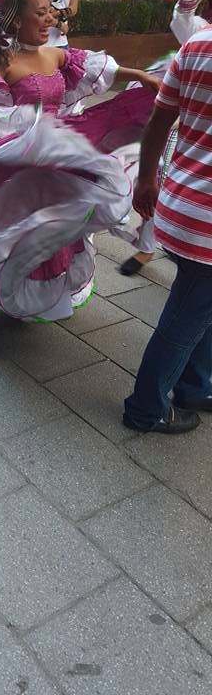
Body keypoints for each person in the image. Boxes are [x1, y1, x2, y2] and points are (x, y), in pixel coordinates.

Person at [0, 0, 159, 333]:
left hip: (51, 155)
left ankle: (18, 292)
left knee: (41, 229)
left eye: (49, 11)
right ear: (15, 19)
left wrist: (141, 76)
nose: (49, 17)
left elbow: (102, 67)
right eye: (39, 12)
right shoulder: (3, 62)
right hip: (13, 159)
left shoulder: (55, 55)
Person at [123, 23, 212, 435]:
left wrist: (146, 179)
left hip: (181, 203)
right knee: (184, 319)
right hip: (206, 223)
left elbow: (160, 119)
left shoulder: (198, 42)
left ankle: (195, 387)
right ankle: (147, 408)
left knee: (199, 310)